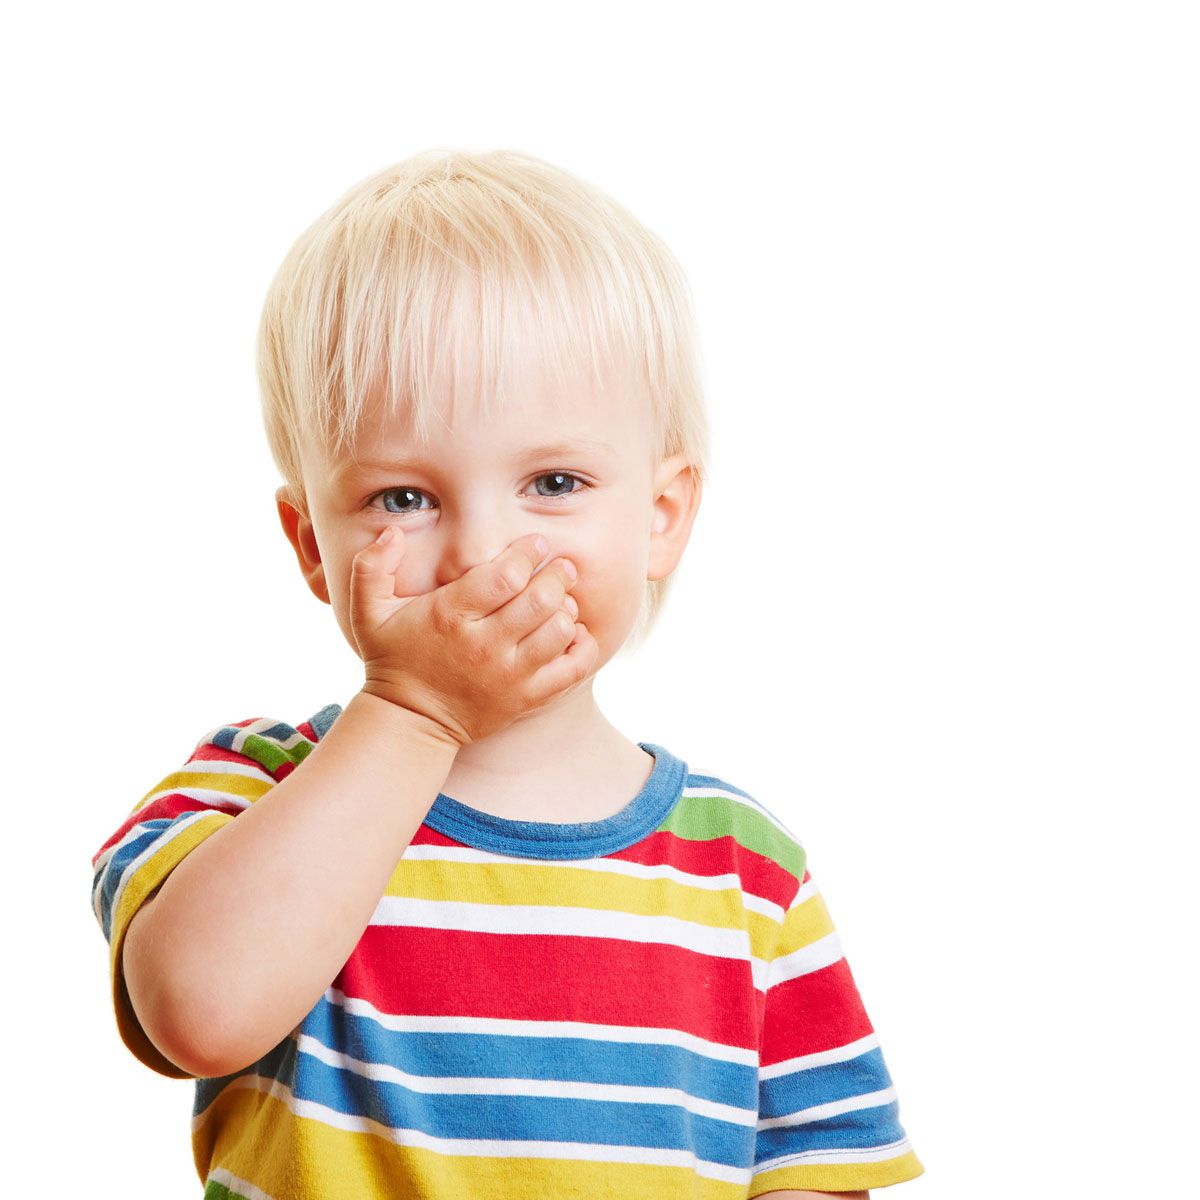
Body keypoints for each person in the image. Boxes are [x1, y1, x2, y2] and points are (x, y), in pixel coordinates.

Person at [90, 148, 924, 1199]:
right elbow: (198, 1016)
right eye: (402, 499)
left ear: (660, 517)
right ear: (311, 544)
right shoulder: (254, 789)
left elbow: (816, 1166)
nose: (482, 550)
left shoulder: (746, 870)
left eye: (555, 481)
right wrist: (414, 711)